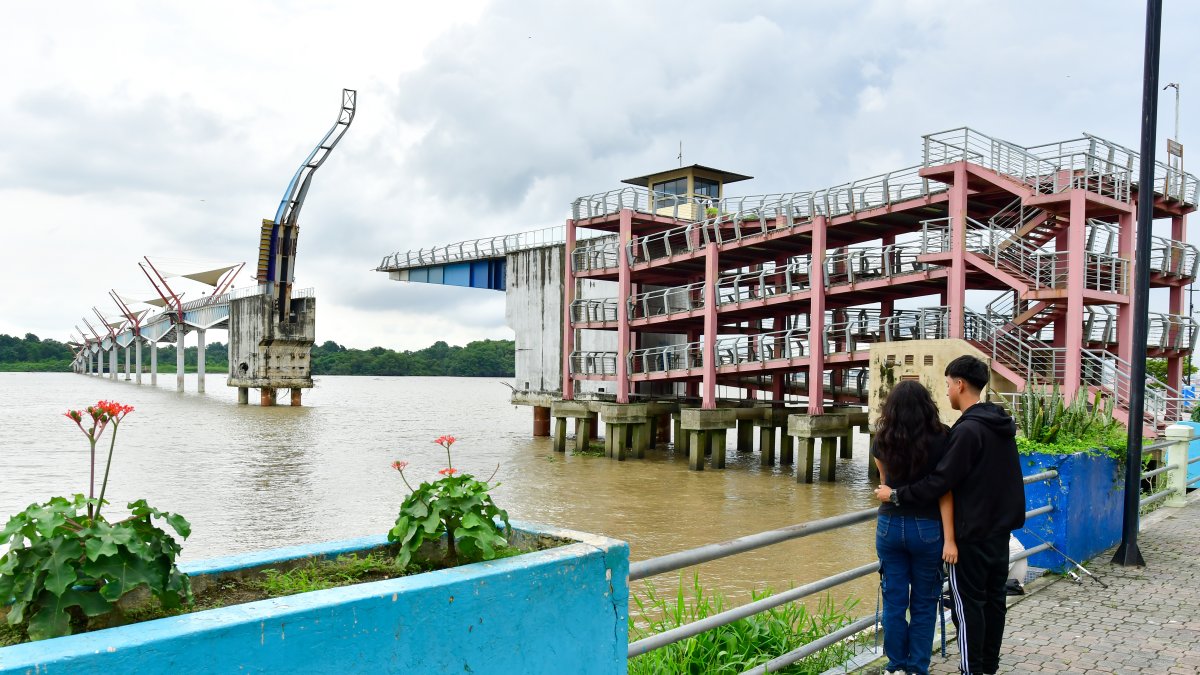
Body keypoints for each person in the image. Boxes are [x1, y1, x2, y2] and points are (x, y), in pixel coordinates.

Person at [875, 355, 1025, 675]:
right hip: (995, 529)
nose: (946, 392)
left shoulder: (967, 430)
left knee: (963, 606)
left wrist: (897, 495)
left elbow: (942, 482)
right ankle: (977, 666)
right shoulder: (997, 424)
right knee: (990, 601)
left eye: (947, 385)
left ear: (960, 384)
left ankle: (958, 669)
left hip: (965, 534)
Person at [871, 380, 957, 675]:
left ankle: (895, 665)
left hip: (890, 525)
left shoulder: (882, 438)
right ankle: (916, 668)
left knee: (894, 602)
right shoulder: (942, 438)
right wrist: (950, 539)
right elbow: (945, 490)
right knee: (924, 603)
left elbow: (883, 482)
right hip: (929, 528)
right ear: (927, 406)